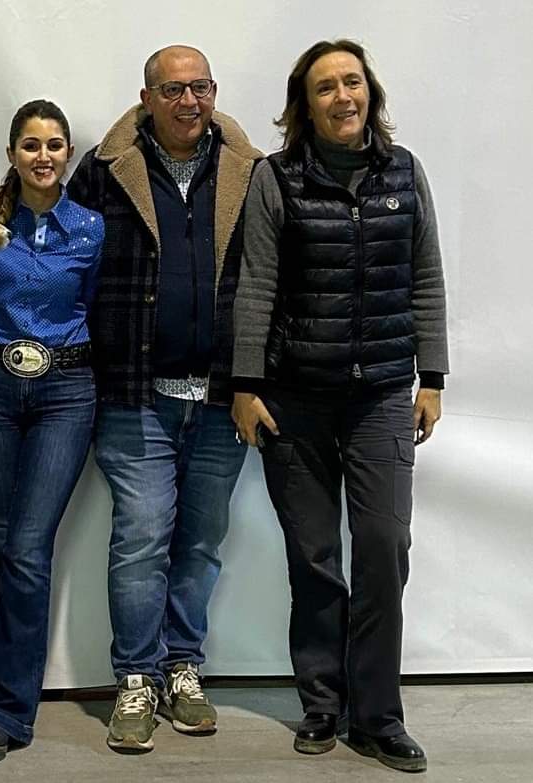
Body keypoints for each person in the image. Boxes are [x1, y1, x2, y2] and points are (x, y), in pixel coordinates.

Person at [231, 39, 448, 774]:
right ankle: (323, 703)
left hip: (382, 394)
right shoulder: (276, 178)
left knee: (384, 547)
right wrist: (246, 386)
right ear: (305, 103)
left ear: (370, 93)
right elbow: (257, 284)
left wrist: (431, 377)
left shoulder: (404, 171)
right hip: (294, 399)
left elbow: (426, 276)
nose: (342, 96)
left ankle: (379, 716)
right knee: (314, 557)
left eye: (352, 82)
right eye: (325, 87)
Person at [67, 45, 263, 751]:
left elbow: (273, 276)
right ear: (146, 97)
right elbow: (63, 259)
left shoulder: (250, 172)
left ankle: (183, 667)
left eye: (200, 87)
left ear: (215, 93)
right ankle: (135, 679)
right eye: (174, 89)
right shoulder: (104, 170)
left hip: (223, 399)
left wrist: (257, 379)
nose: (189, 101)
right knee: (141, 539)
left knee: (201, 543)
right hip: (134, 394)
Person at [0, 100, 103, 756]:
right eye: (30, 145)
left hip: (65, 390)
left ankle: (7, 711)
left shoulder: (92, 227)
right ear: (12, 153)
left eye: (54, 145)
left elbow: (94, 302)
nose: (43, 156)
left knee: (26, 547)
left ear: (68, 153)